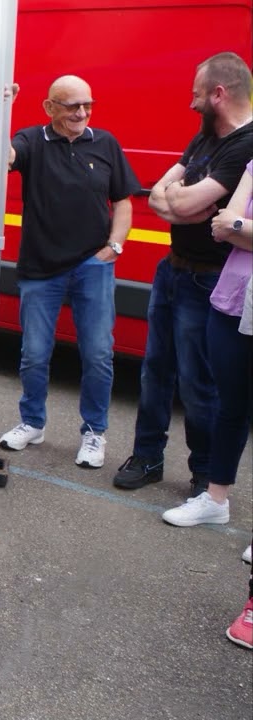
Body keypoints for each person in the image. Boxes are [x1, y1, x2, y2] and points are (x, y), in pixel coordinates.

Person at [114, 52, 253, 496]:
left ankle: (204, 473)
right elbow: (157, 197)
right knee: (154, 371)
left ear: (219, 93)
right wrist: (179, 201)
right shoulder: (204, 140)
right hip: (171, 270)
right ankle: (147, 456)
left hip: (209, 280)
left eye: (197, 95)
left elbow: (183, 203)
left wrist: (179, 201)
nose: (191, 104)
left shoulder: (245, 144)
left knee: (199, 382)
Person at [0, 76, 140, 469]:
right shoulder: (32, 140)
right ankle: (32, 422)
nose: (81, 113)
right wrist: (2, 108)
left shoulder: (105, 142)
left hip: (92, 267)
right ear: (49, 107)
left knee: (97, 355)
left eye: (87, 105)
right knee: (34, 355)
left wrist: (114, 247)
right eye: (72, 105)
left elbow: (124, 201)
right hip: (41, 268)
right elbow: (2, 158)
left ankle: (94, 433)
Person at [160, 161, 252, 527]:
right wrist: (235, 226)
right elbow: (221, 226)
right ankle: (216, 499)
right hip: (232, 297)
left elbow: (233, 223)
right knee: (230, 407)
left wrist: (239, 226)